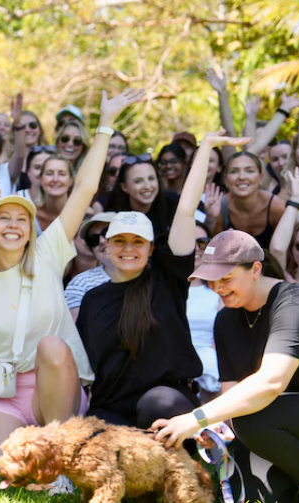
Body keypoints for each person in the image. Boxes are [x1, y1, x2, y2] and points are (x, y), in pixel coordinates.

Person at [0, 88, 144, 482]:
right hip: (5, 394)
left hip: (54, 386)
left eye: (21, 220)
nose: (12, 225)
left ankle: (59, 458)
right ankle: (42, 453)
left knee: (52, 344)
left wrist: (106, 123)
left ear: (30, 229)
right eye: (3, 219)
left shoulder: (47, 255)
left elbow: (85, 190)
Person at [78, 131, 246, 429]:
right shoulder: (93, 299)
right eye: (120, 241)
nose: (128, 249)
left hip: (166, 405)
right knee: (96, 443)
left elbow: (184, 209)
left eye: (137, 242)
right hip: (112, 407)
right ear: (107, 245)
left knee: (159, 404)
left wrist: (205, 147)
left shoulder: (167, 280)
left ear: (152, 248)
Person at [154, 229, 299, 503]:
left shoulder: (297, 303)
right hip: (273, 428)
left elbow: (270, 383)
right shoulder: (226, 320)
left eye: (226, 279)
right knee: (248, 495)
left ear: (255, 269)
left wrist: (195, 418)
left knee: (252, 420)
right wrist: (213, 428)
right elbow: (232, 396)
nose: (218, 288)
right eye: (211, 281)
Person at [212, 151, 286, 249]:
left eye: (249, 171)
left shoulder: (277, 208)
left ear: (260, 178)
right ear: (226, 180)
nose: (242, 177)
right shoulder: (219, 207)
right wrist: (211, 218)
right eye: (234, 171)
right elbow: (215, 251)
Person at [187, 221, 222, 403]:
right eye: (189, 241)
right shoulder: (164, 289)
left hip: (211, 366)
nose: (196, 249)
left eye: (202, 242)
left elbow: (224, 335)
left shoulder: (220, 290)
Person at [105, 153, 178, 239]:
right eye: (138, 181)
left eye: (151, 178)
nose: (147, 186)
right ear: (124, 187)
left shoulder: (171, 201)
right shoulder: (112, 210)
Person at [64, 212, 116, 321]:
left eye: (106, 233)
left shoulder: (153, 274)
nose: (101, 241)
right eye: (93, 239)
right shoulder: (80, 283)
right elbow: (79, 334)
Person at [33, 155, 75, 231]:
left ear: (71, 181)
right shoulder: (30, 214)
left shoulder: (82, 214)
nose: (55, 179)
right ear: (40, 179)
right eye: (49, 173)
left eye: (62, 174)